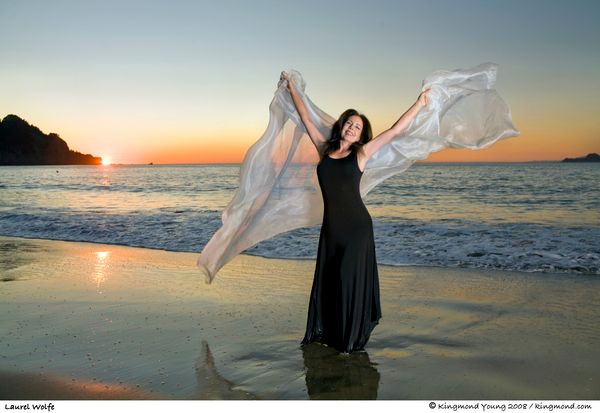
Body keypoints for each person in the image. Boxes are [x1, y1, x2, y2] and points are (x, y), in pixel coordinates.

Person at [280, 71, 431, 354]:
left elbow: (394, 131)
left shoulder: (360, 154)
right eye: (349, 122)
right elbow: (306, 118)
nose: (352, 128)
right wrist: (292, 89)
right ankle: (334, 335)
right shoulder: (324, 149)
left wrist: (419, 104)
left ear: (361, 134)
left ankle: (348, 342)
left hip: (357, 230)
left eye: (357, 127)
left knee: (348, 281)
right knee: (331, 281)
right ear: (342, 125)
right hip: (331, 231)